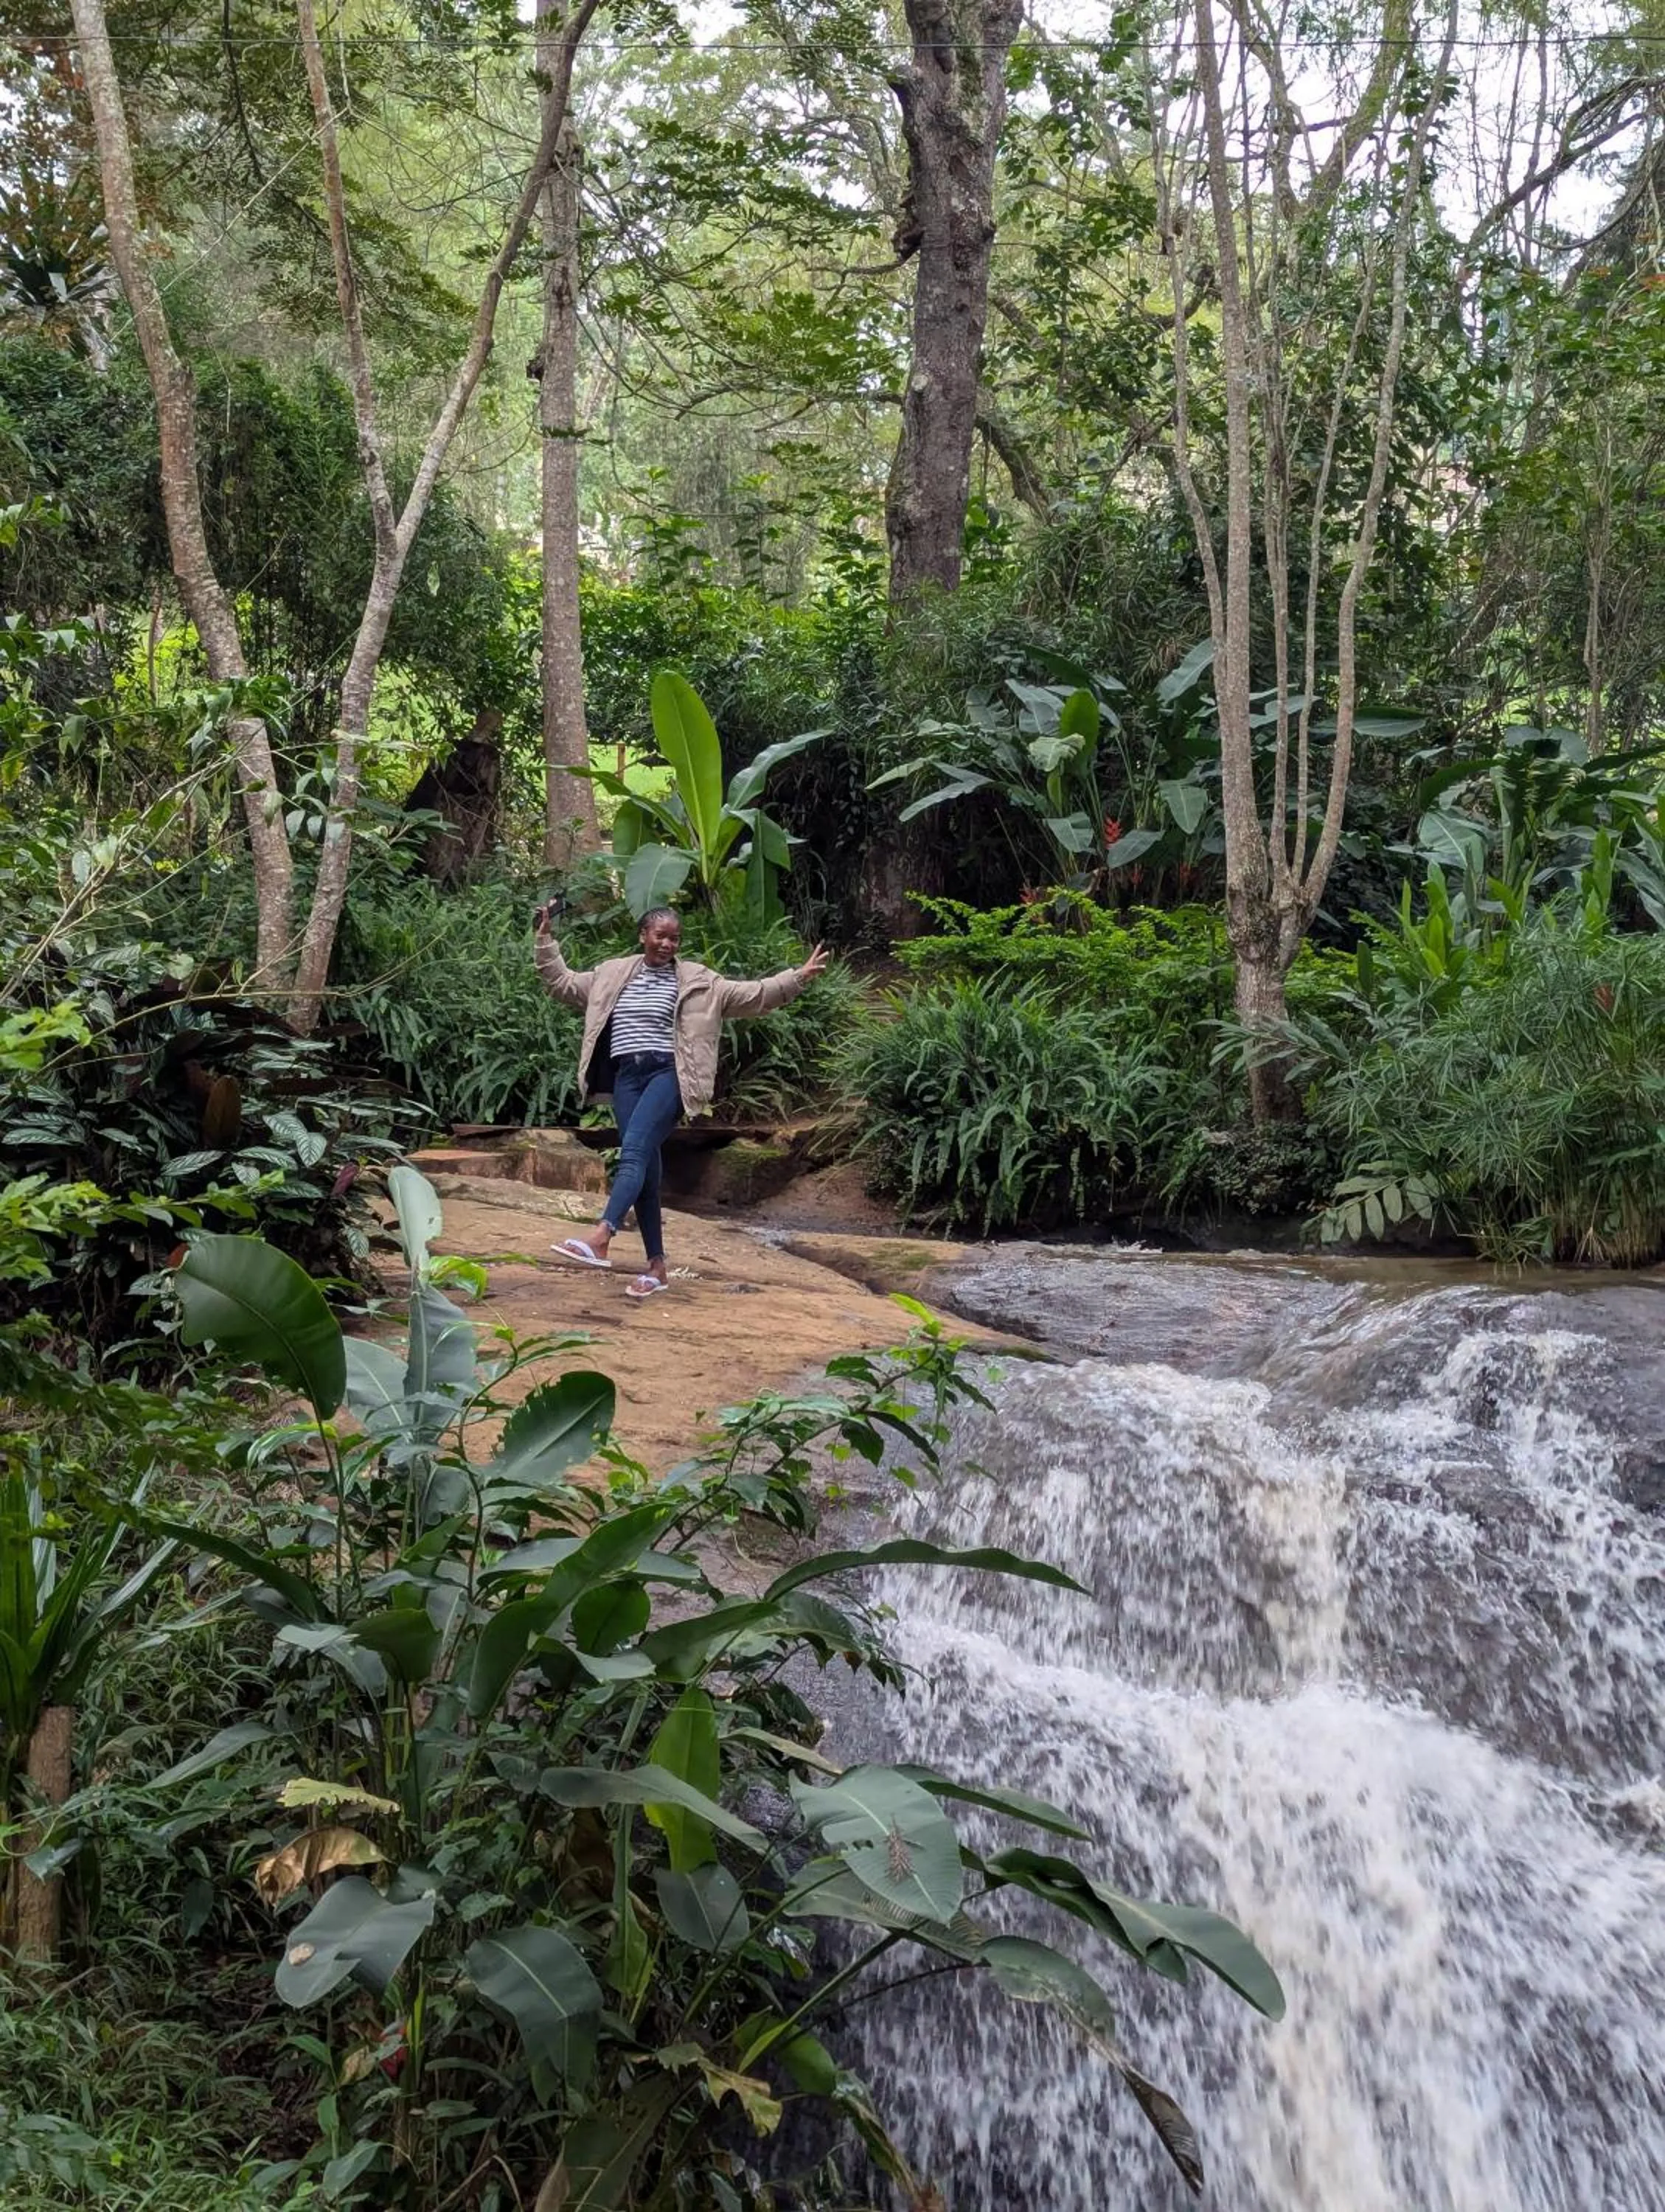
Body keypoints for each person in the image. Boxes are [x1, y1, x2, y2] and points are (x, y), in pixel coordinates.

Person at [533, 902, 829, 1298]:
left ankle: (602, 1236)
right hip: (627, 1078)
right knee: (648, 1174)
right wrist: (544, 940)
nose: (669, 944)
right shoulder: (611, 974)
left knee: (634, 1150)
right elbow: (562, 984)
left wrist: (797, 978)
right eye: (661, 936)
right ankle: (657, 1268)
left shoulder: (701, 982)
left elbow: (755, 995)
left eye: (675, 938)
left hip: (669, 1075)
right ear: (643, 936)